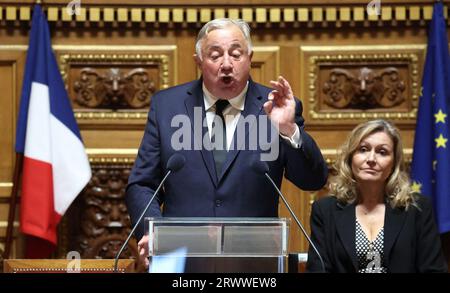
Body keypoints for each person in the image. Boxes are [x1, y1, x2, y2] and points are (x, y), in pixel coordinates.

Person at [126, 18, 328, 267]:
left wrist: (288, 129)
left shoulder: (277, 107)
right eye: (215, 55)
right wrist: (152, 231)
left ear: (250, 57)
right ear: (198, 60)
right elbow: (142, 184)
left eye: (235, 54)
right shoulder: (167, 106)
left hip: (252, 263)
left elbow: (313, 180)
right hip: (180, 260)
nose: (226, 64)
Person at [306, 119, 447, 273]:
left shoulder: (417, 208)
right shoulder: (325, 210)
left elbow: (433, 270)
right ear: (351, 157)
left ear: (394, 163)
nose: (371, 159)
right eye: (363, 149)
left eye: (382, 152)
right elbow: (317, 269)